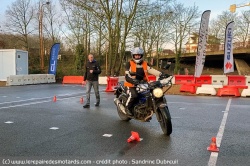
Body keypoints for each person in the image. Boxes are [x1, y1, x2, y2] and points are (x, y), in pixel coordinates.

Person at [124, 47, 170, 115]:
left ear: (141, 56)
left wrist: (161, 74)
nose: (137, 57)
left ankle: (147, 107)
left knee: (151, 92)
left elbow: (152, 70)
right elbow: (127, 75)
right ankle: (127, 108)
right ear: (133, 56)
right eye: (136, 55)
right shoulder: (129, 64)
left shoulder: (145, 64)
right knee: (134, 95)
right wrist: (133, 80)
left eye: (139, 55)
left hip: (143, 83)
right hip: (131, 84)